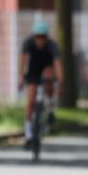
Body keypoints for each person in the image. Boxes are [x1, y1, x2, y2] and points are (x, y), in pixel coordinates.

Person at [18, 20, 63, 148]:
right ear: (33, 36)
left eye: (43, 37)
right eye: (37, 37)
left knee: (49, 79)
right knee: (30, 101)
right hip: (33, 69)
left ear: (47, 37)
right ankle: (28, 134)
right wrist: (21, 78)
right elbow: (22, 60)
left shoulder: (52, 46)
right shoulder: (28, 43)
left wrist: (61, 83)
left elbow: (58, 65)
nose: (40, 40)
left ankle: (51, 108)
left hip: (47, 67)